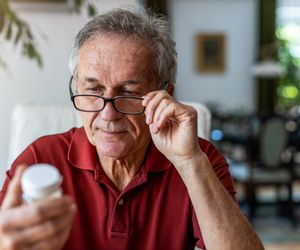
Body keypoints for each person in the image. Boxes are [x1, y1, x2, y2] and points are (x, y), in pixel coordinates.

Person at [0, 7, 264, 250]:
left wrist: (189, 162)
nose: (108, 114)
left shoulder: (199, 159)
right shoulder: (40, 159)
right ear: (76, 88)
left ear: (165, 95)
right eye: (93, 90)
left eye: (129, 92)